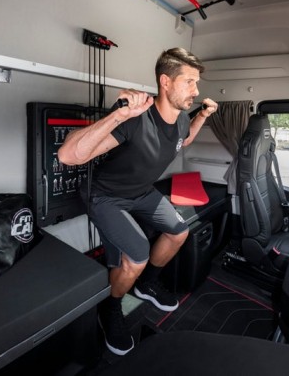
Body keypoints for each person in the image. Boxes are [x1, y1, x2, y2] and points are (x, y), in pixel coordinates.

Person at [58, 47, 217, 356]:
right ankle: (110, 307)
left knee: (179, 232)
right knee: (137, 255)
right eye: (189, 82)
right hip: (105, 197)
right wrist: (118, 115)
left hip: (142, 192)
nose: (196, 91)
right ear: (165, 82)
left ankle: (147, 285)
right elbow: (67, 156)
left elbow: (184, 140)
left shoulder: (181, 120)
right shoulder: (135, 118)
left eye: (197, 83)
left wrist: (202, 116)